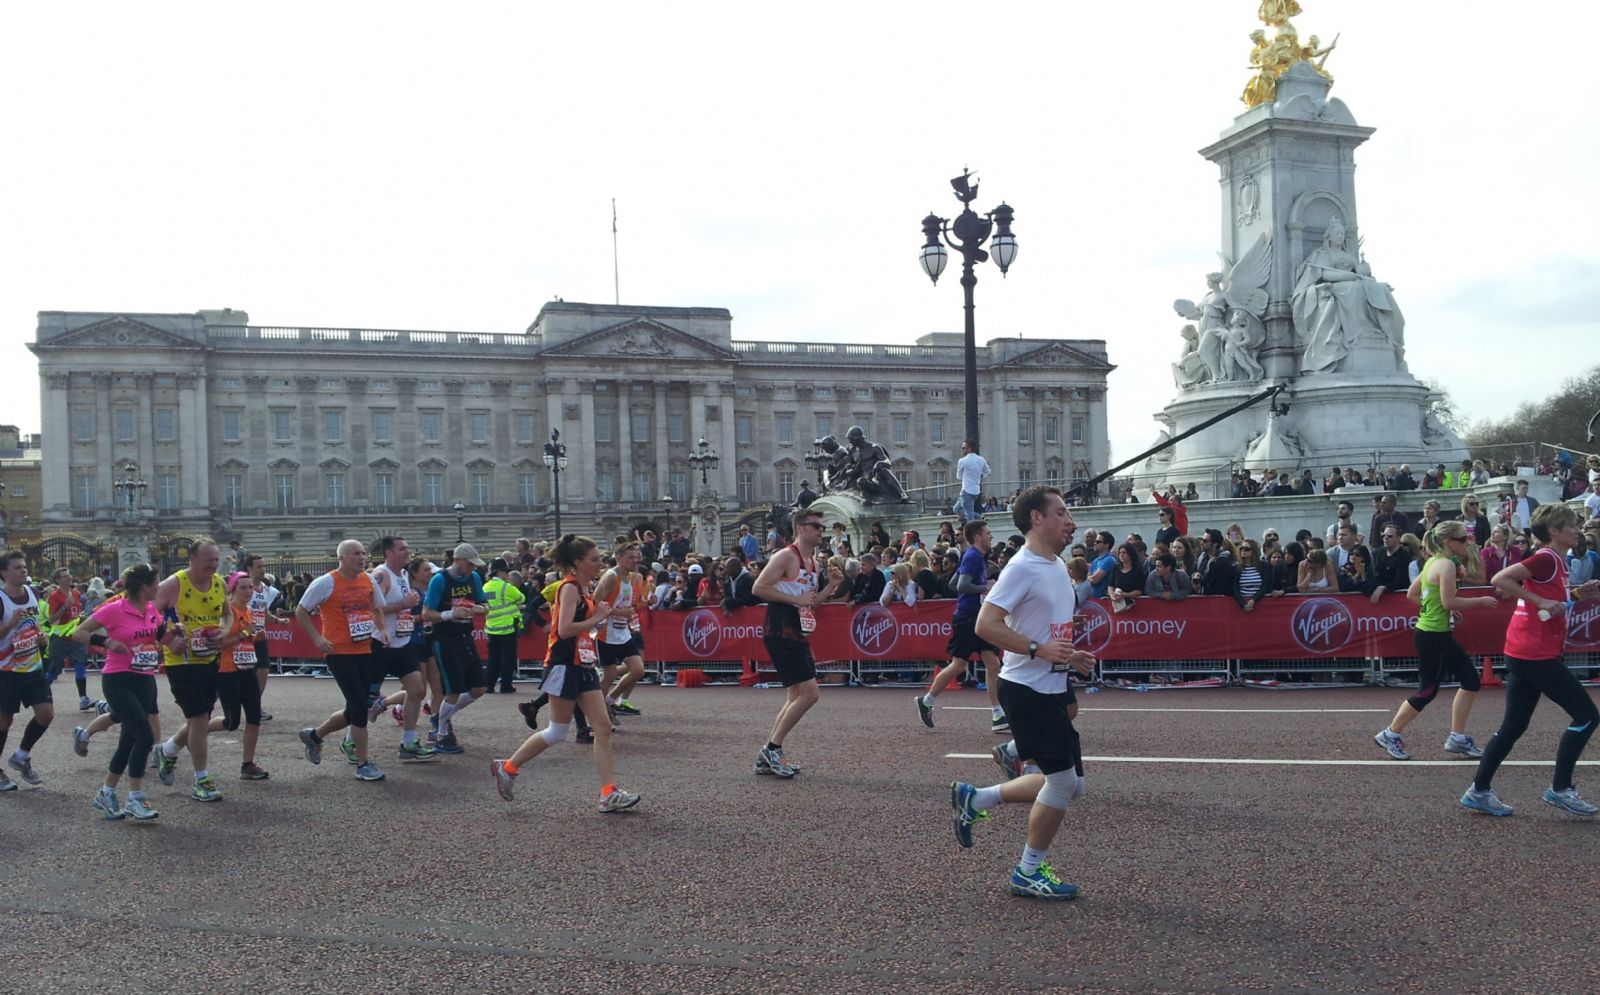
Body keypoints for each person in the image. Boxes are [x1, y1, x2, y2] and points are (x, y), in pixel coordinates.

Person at [949, 486, 1097, 900]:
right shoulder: (1022, 567)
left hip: (1050, 683)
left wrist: (1070, 655)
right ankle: (1028, 871)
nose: (1071, 521)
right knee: (1062, 782)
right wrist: (1037, 649)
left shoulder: (1056, 565)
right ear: (1037, 518)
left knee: (1072, 785)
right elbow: (985, 625)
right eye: (1062, 513)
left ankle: (976, 798)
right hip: (1026, 688)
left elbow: (1045, 629)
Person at [1462, 505, 1600, 817]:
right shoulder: (1547, 557)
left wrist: (1578, 596)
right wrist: (1538, 601)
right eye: (1571, 525)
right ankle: (1562, 789)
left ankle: (1478, 791)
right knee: (1587, 716)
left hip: (1524, 650)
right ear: (1554, 531)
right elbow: (1501, 578)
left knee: (1514, 726)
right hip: (1535, 652)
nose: (1577, 530)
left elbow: (1553, 600)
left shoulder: (1556, 561)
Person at [492, 534, 640, 814]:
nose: (600, 564)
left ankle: (608, 793)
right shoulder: (569, 588)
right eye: (594, 559)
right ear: (577, 562)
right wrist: (598, 618)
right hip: (564, 663)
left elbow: (584, 627)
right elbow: (563, 629)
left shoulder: (585, 589)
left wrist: (603, 617)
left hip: (582, 663)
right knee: (557, 732)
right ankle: (508, 766)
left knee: (603, 727)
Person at [1373, 522, 1497, 762]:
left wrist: (1437, 609)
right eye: (1462, 539)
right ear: (1449, 542)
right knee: (1428, 690)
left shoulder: (1432, 561)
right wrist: (1480, 601)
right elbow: (1449, 601)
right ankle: (1390, 733)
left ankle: (1458, 737)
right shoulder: (1446, 565)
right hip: (1432, 635)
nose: (1467, 543)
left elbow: (1413, 594)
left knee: (1471, 680)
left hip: (1435, 632)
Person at [70, 565, 175, 818]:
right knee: (145, 736)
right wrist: (106, 641)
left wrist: (176, 636)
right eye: (156, 583)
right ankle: (135, 797)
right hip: (118, 679)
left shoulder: (151, 610)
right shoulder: (115, 609)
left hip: (145, 678)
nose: (159, 587)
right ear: (143, 586)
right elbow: (78, 632)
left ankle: (106, 792)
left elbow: (161, 636)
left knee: (128, 740)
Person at [752, 507, 845, 777]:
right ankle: (772, 748)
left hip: (797, 628)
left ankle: (767, 754)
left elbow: (809, 603)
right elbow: (758, 587)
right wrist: (795, 600)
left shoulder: (813, 562)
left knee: (796, 694)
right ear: (801, 528)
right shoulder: (785, 555)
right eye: (816, 526)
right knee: (810, 693)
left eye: (822, 526)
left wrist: (830, 587)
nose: (820, 531)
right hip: (780, 627)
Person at [294, 540, 387, 782]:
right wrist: (317, 638)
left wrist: (382, 630)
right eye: (356, 554)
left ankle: (315, 735)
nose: (362, 557)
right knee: (359, 707)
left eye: (363, 553)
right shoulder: (327, 582)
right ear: (343, 557)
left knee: (354, 707)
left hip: (364, 649)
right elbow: (301, 610)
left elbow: (377, 608)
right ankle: (363, 763)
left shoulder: (368, 580)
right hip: (338, 652)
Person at [150, 540, 228, 802]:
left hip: (210, 659)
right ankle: (201, 779)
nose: (214, 565)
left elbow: (227, 614)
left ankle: (168, 750)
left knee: (201, 719)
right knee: (198, 719)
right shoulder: (175, 584)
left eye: (216, 559)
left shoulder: (219, 582)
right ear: (192, 560)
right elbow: (150, 613)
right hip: (182, 662)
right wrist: (169, 638)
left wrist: (224, 632)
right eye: (209, 560)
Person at [918, 520, 1006, 732]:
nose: (990, 537)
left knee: (992, 663)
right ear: (978, 537)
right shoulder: (974, 556)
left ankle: (998, 714)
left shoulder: (974, 556)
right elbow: (961, 585)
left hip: (978, 616)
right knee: (959, 665)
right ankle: (927, 700)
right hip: (967, 618)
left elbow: (952, 583)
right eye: (988, 533)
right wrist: (985, 587)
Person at [366, 537, 436, 762]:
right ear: (389, 553)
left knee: (417, 690)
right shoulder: (381, 575)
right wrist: (403, 605)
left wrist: (408, 610)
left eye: (408, 547)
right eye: (402, 548)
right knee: (365, 701)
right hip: (380, 643)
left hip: (402, 643)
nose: (408, 551)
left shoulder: (403, 574)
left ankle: (408, 744)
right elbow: (371, 609)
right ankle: (344, 738)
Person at [420, 544, 489, 754]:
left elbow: (485, 604)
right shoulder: (440, 580)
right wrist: (449, 614)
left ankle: (440, 716)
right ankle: (441, 734)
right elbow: (426, 614)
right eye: (469, 564)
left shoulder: (474, 578)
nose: (471, 568)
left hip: (465, 637)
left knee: (479, 688)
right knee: (453, 689)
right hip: (445, 639)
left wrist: (481, 608)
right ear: (457, 561)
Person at [0, 551, 52, 791]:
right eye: (18, 567)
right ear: (4, 573)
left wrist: (41, 638)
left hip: (32, 666)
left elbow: (34, 624)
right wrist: (9, 624)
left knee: (46, 714)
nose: (24, 570)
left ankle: (21, 756)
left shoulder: (32, 593)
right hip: (6, 669)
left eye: (24, 567)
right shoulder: (1, 599)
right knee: (5, 721)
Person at [212, 572, 269, 779]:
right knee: (231, 722)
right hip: (227, 671)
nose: (248, 591)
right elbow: (219, 645)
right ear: (232, 590)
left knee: (254, 717)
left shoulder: (250, 611)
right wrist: (244, 634)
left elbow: (247, 640)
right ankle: (195, 732)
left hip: (247, 669)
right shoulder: (227, 612)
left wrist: (255, 637)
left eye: (250, 588)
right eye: (243, 588)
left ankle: (247, 764)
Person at [595, 542, 648, 717]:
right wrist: (621, 612)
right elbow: (594, 604)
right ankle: (597, 712)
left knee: (638, 670)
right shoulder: (610, 577)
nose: (635, 560)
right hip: (606, 633)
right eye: (630, 557)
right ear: (619, 558)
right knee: (609, 675)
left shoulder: (631, 577)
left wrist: (630, 611)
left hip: (623, 632)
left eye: (636, 557)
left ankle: (611, 700)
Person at [44, 569, 92, 711]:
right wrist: (65, 606)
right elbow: (52, 619)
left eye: (69, 575)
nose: (69, 578)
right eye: (65, 576)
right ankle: (41, 694)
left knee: (80, 663)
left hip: (76, 635)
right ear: (58, 580)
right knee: (54, 669)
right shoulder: (54, 596)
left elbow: (76, 614)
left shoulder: (76, 593)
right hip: (60, 637)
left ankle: (83, 698)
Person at [482, 558, 525, 695]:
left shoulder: (485, 587)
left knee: (493, 658)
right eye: (506, 571)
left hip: (491, 627)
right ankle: (506, 685)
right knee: (508, 658)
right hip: (507, 627)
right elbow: (521, 598)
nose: (507, 574)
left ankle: (489, 685)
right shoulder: (506, 587)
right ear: (499, 572)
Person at [955, 439, 991, 523]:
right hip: (976, 491)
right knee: (956, 508)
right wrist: (980, 475)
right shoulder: (981, 459)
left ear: (969, 448)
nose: (962, 450)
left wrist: (965, 476)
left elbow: (959, 477)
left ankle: (973, 531)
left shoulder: (962, 461)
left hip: (966, 491)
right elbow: (988, 472)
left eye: (963, 448)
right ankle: (979, 517)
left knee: (969, 518)